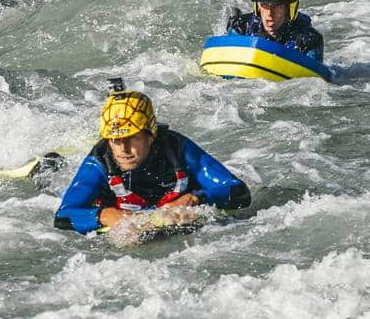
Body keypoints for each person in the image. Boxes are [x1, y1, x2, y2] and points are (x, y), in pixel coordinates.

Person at [54, 81, 251, 234]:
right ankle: (49, 166)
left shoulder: (177, 149)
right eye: (115, 140)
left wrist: (195, 199)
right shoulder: (99, 161)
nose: (123, 149)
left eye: (132, 138)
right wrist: (105, 215)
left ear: (151, 135)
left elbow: (238, 191)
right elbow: (64, 215)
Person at [226, 0, 324, 62]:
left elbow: (313, 76)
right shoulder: (240, 27)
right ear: (258, 7)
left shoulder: (309, 39)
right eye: (264, 4)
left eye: (277, 6)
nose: (269, 13)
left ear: (289, 9)